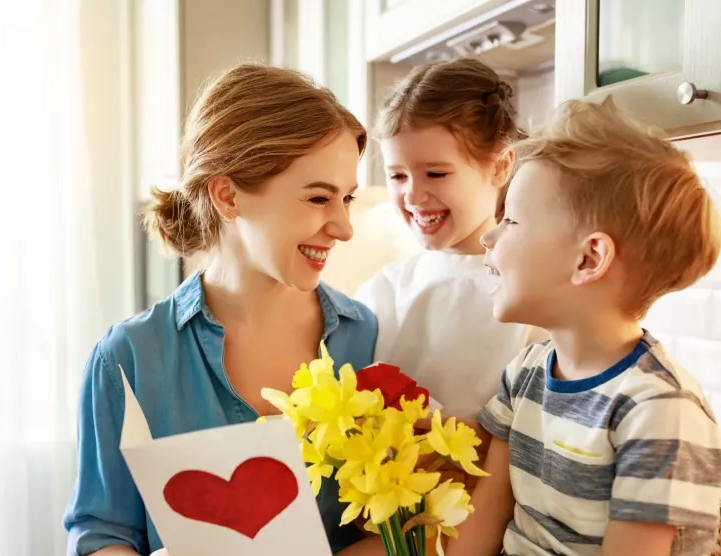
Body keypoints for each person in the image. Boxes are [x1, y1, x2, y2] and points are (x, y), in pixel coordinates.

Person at [62, 63, 377, 556]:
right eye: (318, 198)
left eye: (347, 199)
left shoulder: (364, 337)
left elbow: (387, 528)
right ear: (228, 195)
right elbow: (101, 533)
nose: (343, 227)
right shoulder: (128, 358)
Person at [450, 98, 721, 556]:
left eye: (512, 220)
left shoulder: (659, 413)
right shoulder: (528, 372)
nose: (488, 236)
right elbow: (483, 523)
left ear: (588, 258)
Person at [355, 58, 544, 429]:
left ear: (500, 165)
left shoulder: (534, 300)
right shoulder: (381, 292)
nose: (412, 195)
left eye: (436, 173)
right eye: (397, 175)